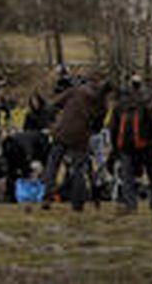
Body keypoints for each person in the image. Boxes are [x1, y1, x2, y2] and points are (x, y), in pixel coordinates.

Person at [44, 78, 111, 211]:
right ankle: (78, 204)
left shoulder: (77, 91)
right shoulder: (103, 105)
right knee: (79, 170)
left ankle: (47, 198)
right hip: (81, 137)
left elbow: (53, 105)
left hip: (62, 132)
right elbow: (98, 127)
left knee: (53, 165)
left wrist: (54, 123)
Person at [110, 75, 152, 212]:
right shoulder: (147, 102)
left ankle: (131, 205)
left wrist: (115, 149)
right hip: (146, 145)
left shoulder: (120, 104)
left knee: (127, 177)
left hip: (125, 146)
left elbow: (113, 128)